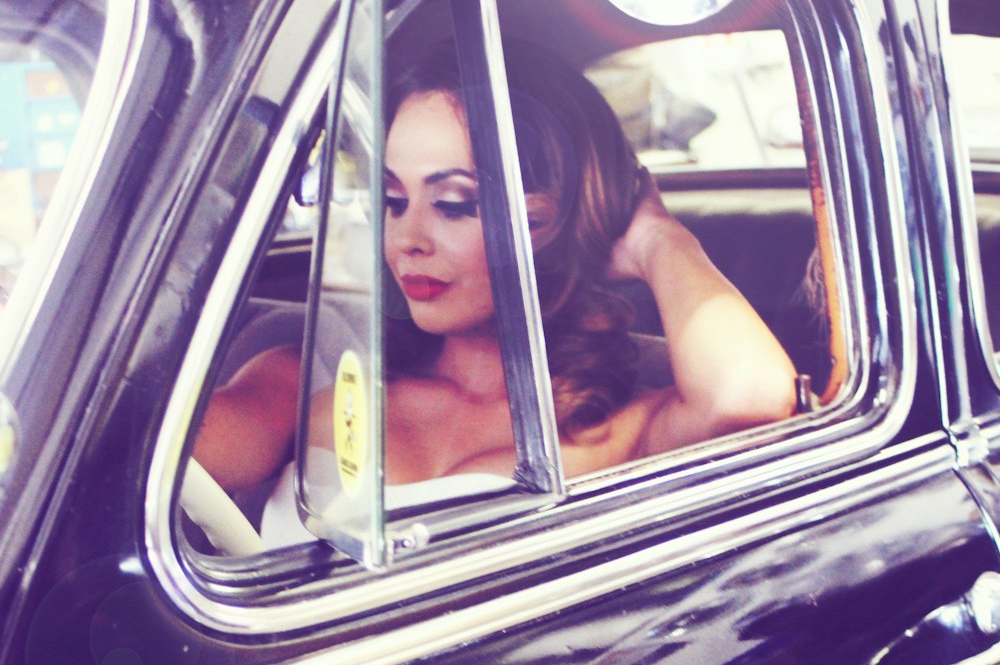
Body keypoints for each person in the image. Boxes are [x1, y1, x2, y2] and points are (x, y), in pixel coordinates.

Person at [193, 40, 797, 497]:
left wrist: (654, 237)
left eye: (455, 204)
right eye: (393, 200)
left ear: (554, 218)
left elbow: (747, 400)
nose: (406, 239)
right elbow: (139, 474)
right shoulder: (306, 379)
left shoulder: (629, 426)